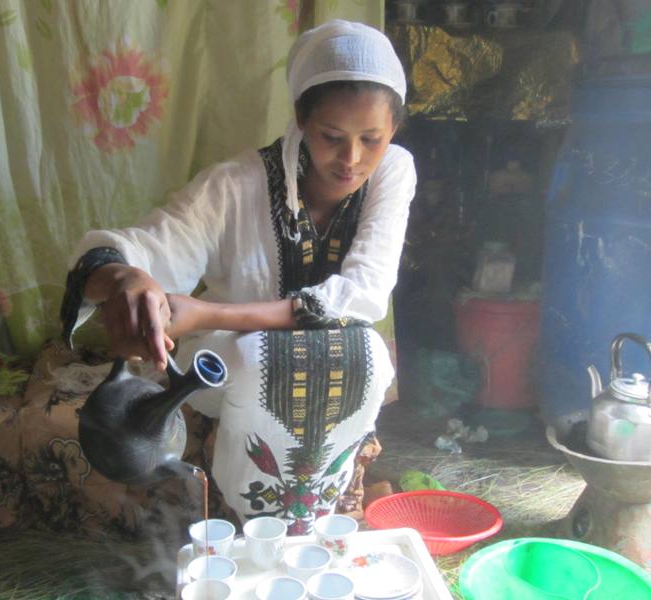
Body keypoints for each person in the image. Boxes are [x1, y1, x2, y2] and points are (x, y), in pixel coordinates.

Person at [61, 19, 416, 535]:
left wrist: (206, 311)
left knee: (368, 356)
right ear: (300, 118)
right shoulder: (235, 185)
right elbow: (146, 246)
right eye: (332, 137)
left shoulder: (394, 170)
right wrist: (123, 279)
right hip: (231, 365)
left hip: (338, 367)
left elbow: (363, 296)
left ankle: (310, 525)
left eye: (372, 139)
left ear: (393, 133)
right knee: (256, 358)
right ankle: (257, 531)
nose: (352, 159)